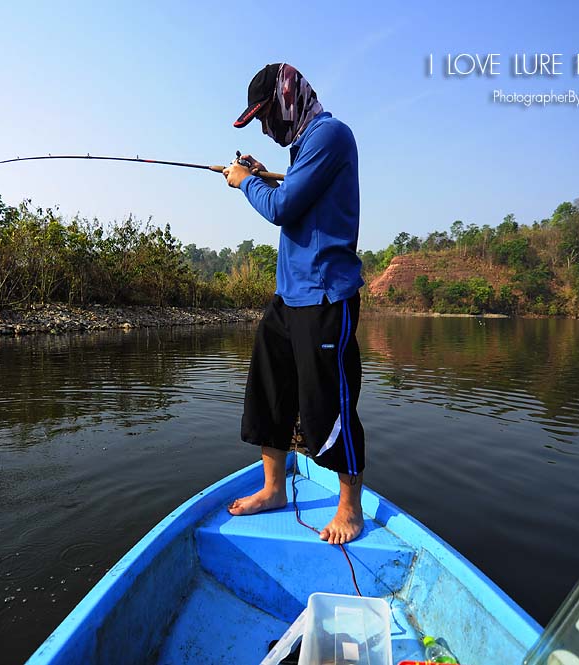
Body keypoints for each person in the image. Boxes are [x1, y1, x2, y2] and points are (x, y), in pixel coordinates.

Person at [222, 63, 366, 545]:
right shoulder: (308, 148)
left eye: (265, 116)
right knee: (268, 389)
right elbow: (293, 195)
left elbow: (282, 208)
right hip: (290, 296)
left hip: (326, 295)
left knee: (328, 402)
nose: (265, 128)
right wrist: (261, 176)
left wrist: (245, 181)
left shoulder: (329, 136)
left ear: (289, 99)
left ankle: (349, 508)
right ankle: (273, 489)